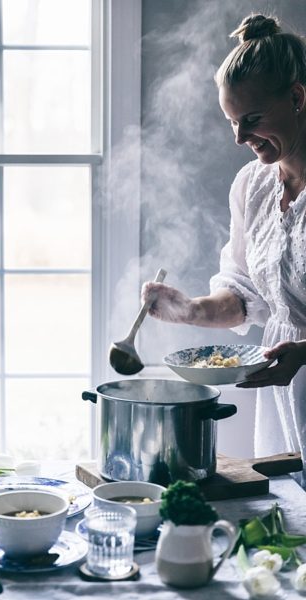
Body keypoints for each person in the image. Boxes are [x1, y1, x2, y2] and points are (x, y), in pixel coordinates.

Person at [141, 13, 306, 486]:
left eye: (251, 120)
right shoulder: (253, 186)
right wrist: (189, 309)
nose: (239, 138)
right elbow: (246, 294)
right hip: (286, 403)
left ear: (297, 98)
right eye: (232, 122)